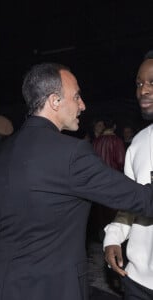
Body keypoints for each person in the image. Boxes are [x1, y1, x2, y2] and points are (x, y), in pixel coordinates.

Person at [0, 62, 153, 300]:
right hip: (57, 289)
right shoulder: (72, 153)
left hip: (7, 286)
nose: (82, 105)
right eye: (77, 97)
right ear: (55, 101)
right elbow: (145, 200)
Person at [103, 51, 153, 299]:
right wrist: (113, 237)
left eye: (152, 82)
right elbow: (129, 204)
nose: (143, 90)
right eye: (139, 83)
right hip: (137, 283)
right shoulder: (138, 145)